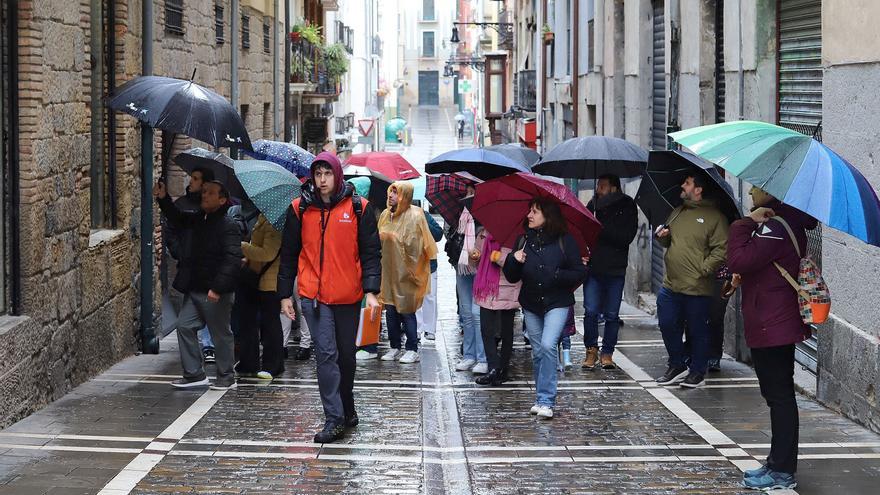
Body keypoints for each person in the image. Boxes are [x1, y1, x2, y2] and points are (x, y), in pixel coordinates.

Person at [277, 151, 382, 444]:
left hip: (349, 294)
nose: (322, 181)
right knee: (326, 355)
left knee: (346, 358)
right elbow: (287, 255)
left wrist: (372, 291)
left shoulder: (359, 208)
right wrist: (285, 294)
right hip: (314, 296)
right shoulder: (299, 209)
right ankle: (334, 419)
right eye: (318, 175)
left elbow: (371, 253)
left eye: (328, 174)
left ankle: (347, 408)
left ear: (337, 175)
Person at [727, 186, 816, 491]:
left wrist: (744, 223)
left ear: (769, 192)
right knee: (777, 396)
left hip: (774, 324)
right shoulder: (778, 224)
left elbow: (739, 260)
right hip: (772, 321)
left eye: (755, 187)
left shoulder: (776, 228)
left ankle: (782, 470)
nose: (750, 190)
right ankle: (776, 462)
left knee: (780, 397)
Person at [503, 199, 588, 419]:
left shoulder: (565, 241)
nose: (529, 215)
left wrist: (557, 274)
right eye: (529, 210)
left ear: (547, 216)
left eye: (535, 212)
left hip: (557, 302)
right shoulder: (523, 240)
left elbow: (579, 272)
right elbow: (512, 277)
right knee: (539, 352)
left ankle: (546, 400)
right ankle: (540, 398)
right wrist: (514, 259)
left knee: (549, 345)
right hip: (531, 304)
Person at [154, 179, 241, 390]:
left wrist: (218, 288)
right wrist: (164, 198)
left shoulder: (228, 225)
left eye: (210, 193)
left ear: (222, 200)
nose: (204, 195)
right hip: (195, 288)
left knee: (220, 334)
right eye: (204, 192)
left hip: (215, 292)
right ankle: (194, 374)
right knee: (184, 326)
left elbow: (232, 259)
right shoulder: (199, 219)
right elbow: (178, 218)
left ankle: (226, 376)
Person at [654, 175, 728, 389]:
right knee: (667, 323)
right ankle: (676, 364)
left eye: (686, 183)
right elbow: (669, 241)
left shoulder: (715, 217)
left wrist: (703, 269)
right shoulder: (677, 212)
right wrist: (662, 236)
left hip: (697, 286)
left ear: (698, 190)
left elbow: (721, 249)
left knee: (697, 330)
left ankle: (697, 371)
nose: (682, 186)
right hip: (670, 284)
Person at [582, 174, 638, 370]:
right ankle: (591, 350)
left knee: (612, 314)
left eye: (603, 186)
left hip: (615, 268)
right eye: (598, 185)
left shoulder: (627, 205)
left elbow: (626, 237)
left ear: (614, 188)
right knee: (590, 311)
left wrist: (601, 227)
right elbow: (584, 232)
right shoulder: (593, 205)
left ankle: (607, 353)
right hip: (594, 268)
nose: (599, 190)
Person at [377, 182, 438, 364]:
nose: (391, 196)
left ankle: (412, 347)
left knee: (407, 312)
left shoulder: (416, 215)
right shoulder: (385, 216)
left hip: (409, 272)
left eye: (396, 193)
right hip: (389, 272)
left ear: (405, 195)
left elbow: (426, 244)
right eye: (391, 192)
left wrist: (416, 270)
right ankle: (395, 346)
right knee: (390, 311)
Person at [163, 168, 218, 364]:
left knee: (220, 328)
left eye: (195, 179)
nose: (190, 181)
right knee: (185, 325)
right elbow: (175, 221)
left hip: (212, 282)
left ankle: (223, 372)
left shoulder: (221, 218)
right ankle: (194, 370)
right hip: (192, 276)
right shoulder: (188, 209)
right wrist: (163, 198)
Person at [237, 213, 284, 380]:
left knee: (270, 324)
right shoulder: (265, 216)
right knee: (254, 322)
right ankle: (250, 362)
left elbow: (268, 253)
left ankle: (273, 365)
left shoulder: (275, 222)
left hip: (270, 281)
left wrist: (242, 246)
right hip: (258, 277)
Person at [473, 229, 521, 386]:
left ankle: (503, 369)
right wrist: (475, 255)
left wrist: (498, 257)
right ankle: (493, 367)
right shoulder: (483, 234)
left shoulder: (515, 234)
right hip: (487, 287)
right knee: (486, 329)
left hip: (507, 286)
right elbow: (477, 259)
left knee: (507, 330)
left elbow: (516, 262)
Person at [452, 192, 488, 375]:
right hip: (462, 264)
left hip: (481, 265)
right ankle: (469, 355)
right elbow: (448, 232)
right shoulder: (457, 210)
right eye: (466, 191)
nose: (469, 194)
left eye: (472, 190)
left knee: (477, 312)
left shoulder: (487, 209)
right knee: (466, 312)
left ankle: (483, 357)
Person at [416, 202, 444, 341]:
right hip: (412, 264)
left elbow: (439, 234)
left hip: (429, 263)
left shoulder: (425, 215)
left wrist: (424, 222)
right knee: (415, 297)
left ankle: (429, 329)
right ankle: (417, 328)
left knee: (430, 296)